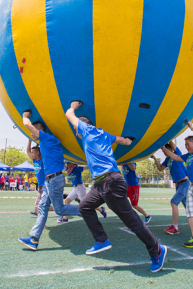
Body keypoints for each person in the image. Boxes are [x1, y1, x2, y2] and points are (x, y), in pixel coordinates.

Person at [65, 101, 167, 273]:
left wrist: (73, 105)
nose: (76, 132)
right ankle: (101, 240)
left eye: (77, 129)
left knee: (132, 221)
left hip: (111, 182)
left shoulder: (88, 130)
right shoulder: (103, 134)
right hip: (100, 184)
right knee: (84, 206)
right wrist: (129, 141)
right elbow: (122, 140)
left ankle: (157, 250)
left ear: (82, 126)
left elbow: (69, 115)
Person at [18, 110, 81, 251]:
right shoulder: (49, 141)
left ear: (39, 131)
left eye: (34, 133)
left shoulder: (46, 138)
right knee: (42, 207)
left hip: (54, 180)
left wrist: (24, 116)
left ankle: (85, 209)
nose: (32, 135)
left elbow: (26, 124)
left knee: (60, 209)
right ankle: (34, 239)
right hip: (49, 180)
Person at [152, 140, 190, 235]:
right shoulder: (167, 160)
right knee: (189, 207)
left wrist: (167, 137)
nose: (163, 152)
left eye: (164, 150)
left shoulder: (177, 153)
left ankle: (175, 227)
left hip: (184, 183)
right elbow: (160, 168)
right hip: (178, 185)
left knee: (174, 202)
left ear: (169, 149)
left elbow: (172, 144)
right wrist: (155, 159)